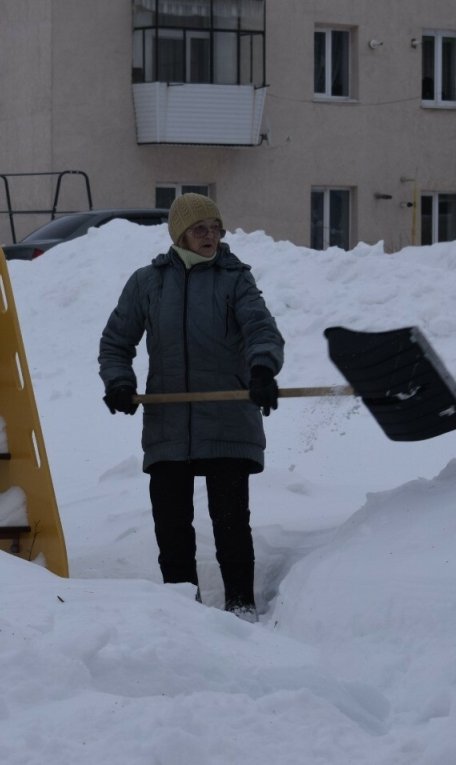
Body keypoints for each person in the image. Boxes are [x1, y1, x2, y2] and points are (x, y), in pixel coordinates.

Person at [99, 193, 285, 621]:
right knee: (172, 530)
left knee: (230, 524)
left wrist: (262, 370)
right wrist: (119, 382)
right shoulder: (148, 283)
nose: (211, 237)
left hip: (227, 420)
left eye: (216, 228)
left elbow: (262, 328)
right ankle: (185, 615)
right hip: (169, 425)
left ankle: (242, 610)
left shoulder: (235, 278)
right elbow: (115, 343)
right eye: (200, 229)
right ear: (180, 233)